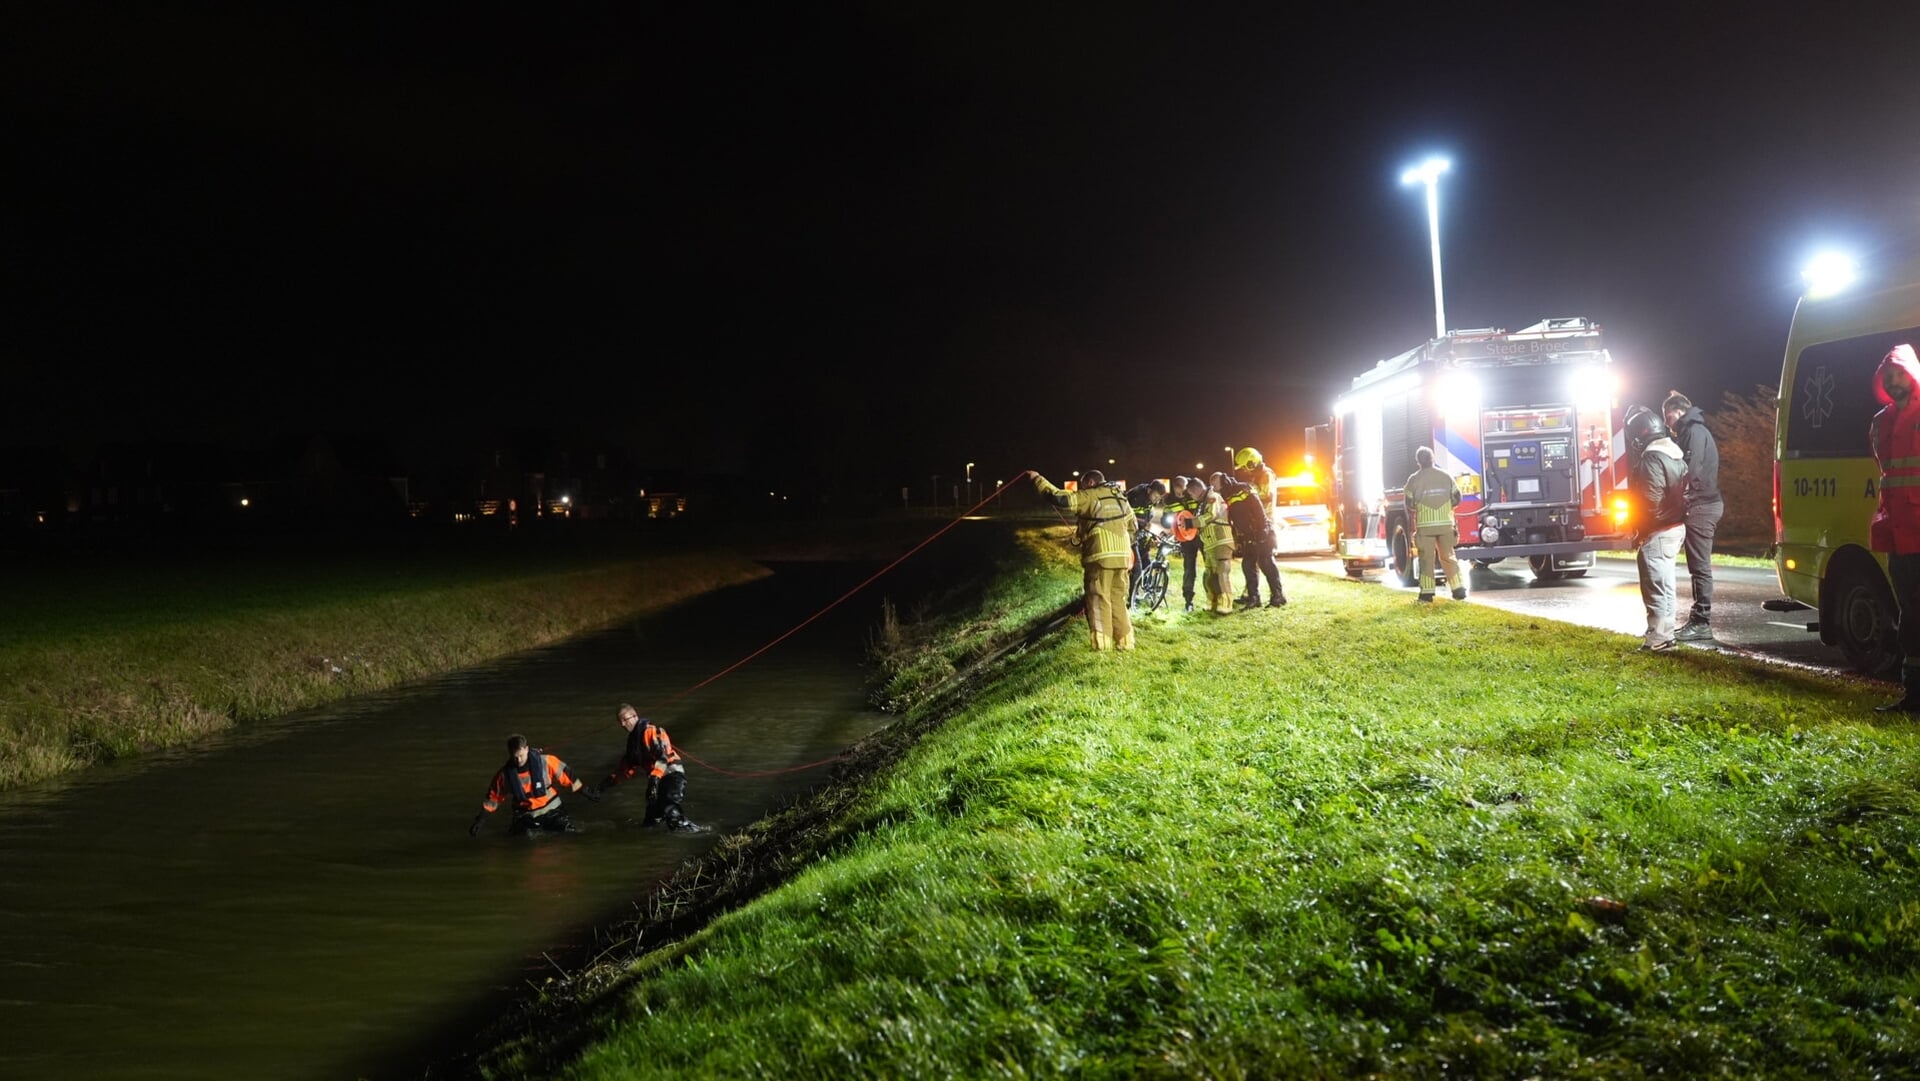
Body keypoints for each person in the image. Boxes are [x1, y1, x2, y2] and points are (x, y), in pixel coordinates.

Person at [1032, 468, 1137, 650]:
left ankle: (1101, 647)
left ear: (1089, 483)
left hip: (1099, 557)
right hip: (1122, 558)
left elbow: (1059, 498)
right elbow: (1133, 526)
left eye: (1083, 485)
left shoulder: (1090, 495)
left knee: (1098, 599)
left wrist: (1037, 479)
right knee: (1118, 598)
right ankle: (1125, 643)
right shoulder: (1120, 497)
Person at [1869, 343, 1920, 710]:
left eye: (1899, 372)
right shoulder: (1880, 421)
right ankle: (1913, 693)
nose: (1893, 380)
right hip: (1897, 530)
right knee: (1909, 612)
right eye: (1888, 375)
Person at [1625, 404, 1689, 653]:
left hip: (1658, 529)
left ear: (1641, 434)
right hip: (1674, 526)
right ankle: (1666, 634)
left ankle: (1658, 639)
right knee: (1666, 584)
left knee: (1655, 587)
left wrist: (1642, 528)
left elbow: (1649, 500)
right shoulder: (1675, 454)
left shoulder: (1652, 457)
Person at [1662, 390, 1724, 641]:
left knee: (1699, 567)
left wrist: (1677, 498)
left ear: (1678, 412)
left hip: (1702, 506)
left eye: (1667, 417)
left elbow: (1689, 471)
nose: (1667, 423)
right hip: (1702, 504)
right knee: (1697, 565)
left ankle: (1701, 622)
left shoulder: (1693, 433)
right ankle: (1699, 620)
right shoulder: (1694, 431)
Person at [470, 734, 599, 836]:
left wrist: (587, 792)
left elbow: (569, 778)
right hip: (525, 815)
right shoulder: (504, 775)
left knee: (570, 832)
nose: (518, 760)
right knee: (518, 841)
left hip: (552, 810)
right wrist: (480, 820)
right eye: (515, 757)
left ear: (526, 749)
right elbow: (493, 799)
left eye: (521, 756)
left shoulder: (546, 762)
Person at [603, 703, 704, 831]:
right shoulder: (632, 743)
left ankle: (694, 832)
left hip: (672, 775)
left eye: (624, 719)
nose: (622, 724)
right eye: (620, 721)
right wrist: (603, 786)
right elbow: (625, 770)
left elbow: (664, 757)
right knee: (650, 823)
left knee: (669, 809)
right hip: (656, 780)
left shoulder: (652, 732)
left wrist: (654, 779)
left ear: (634, 716)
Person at [1403, 446, 1464, 602]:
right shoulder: (1446, 476)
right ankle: (1458, 589)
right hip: (1445, 525)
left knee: (1426, 559)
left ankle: (1427, 593)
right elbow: (1457, 498)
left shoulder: (1413, 479)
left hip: (1425, 526)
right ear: (1433, 459)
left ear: (1418, 462)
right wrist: (1447, 508)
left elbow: (1409, 503)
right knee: (1448, 556)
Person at [1218, 471, 1286, 607]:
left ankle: (1278, 596)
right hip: (1249, 536)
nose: (1214, 489)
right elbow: (1234, 519)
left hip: (1262, 533)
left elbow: (1258, 510)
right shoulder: (1229, 495)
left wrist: (1262, 530)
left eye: (1216, 486)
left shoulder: (1244, 490)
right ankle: (1254, 598)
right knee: (1248, 565)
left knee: (1266, 563)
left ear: (1223, 484)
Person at [1192, 474, 1236, 614]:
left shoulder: (1213, 497)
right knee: (1209, 574)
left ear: (1195, 490)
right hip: (1210, 542)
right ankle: (1212, 601)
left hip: (1221, 540)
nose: (1190, 496)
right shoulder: (1202, 502)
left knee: (1222, 573)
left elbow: (1212, 515)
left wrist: (1192, 523)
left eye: (1190, 493)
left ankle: (1227, 604)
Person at [1124, 478, 1169, 606]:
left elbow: (1147, 515)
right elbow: (1126, 516)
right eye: (1155, 496)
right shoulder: (1135, 496)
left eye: (1159, 498)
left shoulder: (1150, 499)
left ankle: (1144, 593)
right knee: (1137, 568)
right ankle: (1132, 600)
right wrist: (1143, 523)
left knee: (1147, 563)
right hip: (1130, 535)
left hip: (1141, 533)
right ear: (1149, 490)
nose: (1157, 500)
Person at [1163, 475, 1203, 612]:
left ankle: (1214, 597)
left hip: (1201, 536)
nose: (1180, 491)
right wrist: (1167, 520)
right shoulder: (1170, 501)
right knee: (1189, 568)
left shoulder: (1194, 496)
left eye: (1183, 488)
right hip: (1185, 539)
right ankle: (1188, 600)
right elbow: (1164, 518)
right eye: (1177, 488)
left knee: (1211, 566)